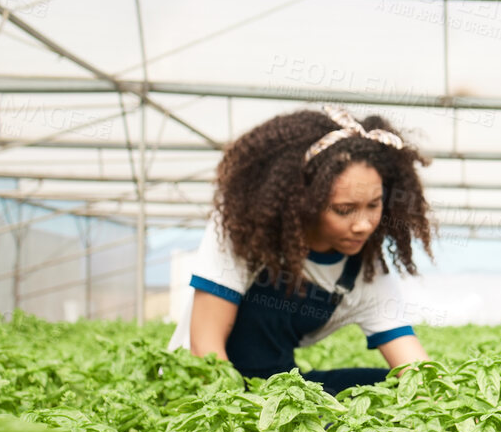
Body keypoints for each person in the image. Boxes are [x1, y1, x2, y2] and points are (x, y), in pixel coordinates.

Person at [168, 106, 434, 395]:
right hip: (198, 389)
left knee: (394, 389)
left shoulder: (363, 274)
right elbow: (205, 351)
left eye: (374, 205)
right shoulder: (243, 231)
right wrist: (241, 420)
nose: (363, 225)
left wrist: (451, 406)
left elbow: (414, 368)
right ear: (304, 201)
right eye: (344, 210)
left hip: (277, 391)